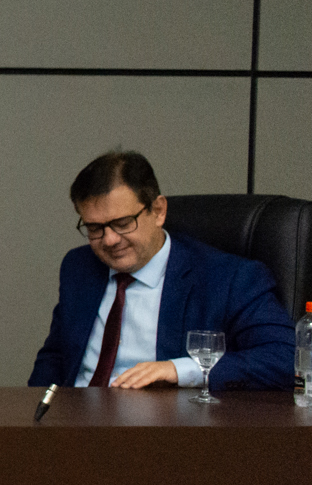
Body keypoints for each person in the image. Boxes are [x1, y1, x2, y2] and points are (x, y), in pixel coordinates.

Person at [29, 150, 292, 390]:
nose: (109, 240)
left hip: (164, 422)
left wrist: (179, 370)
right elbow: (56, 357)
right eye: (95, 228)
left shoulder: (229, 278)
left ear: (158, 211)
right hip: (78, 419)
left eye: (123, 223)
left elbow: (285, 357)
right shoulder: (79, 267)